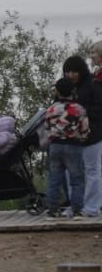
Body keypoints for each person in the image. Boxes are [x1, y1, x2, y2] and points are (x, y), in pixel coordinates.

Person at [42, 77, 90, 218]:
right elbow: (85, 129)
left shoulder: (51, 109)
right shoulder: (79, 109)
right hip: (73, 145)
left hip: (55, 145)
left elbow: (46, 128)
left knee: (54, 179)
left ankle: (53, 210)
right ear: (73, 91)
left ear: (57, 92)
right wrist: (81, 138)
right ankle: (77, 211)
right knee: (77, 179)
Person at [66, 55, 102, 219]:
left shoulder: (93, 85)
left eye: (73, 71)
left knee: (92, 171)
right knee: (71, 173)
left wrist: (80, 110)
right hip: (71, 138)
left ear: (80, 71)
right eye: (67, 72)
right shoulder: (67, 88)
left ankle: (92, 207)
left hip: (92, 136)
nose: (70, 75)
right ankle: (75, 206)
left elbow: (99, 110)